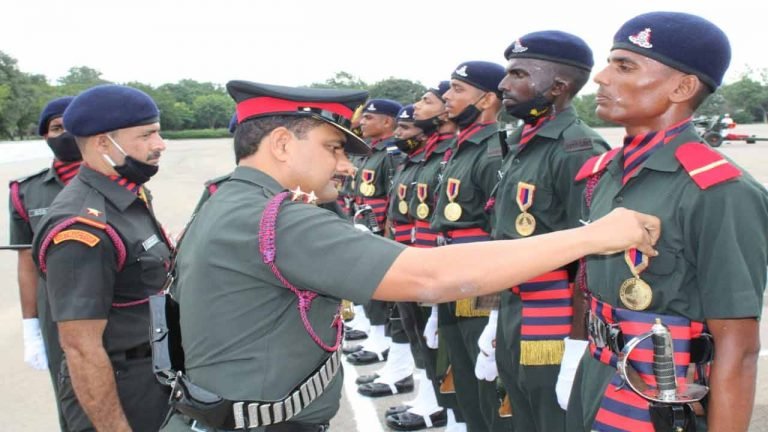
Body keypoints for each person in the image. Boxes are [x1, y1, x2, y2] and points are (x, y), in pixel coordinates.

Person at [161, 80, 659, 432]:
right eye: (335, 148)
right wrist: (593, 237)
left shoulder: (224, 196)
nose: (344, 165)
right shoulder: (278, 219)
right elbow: (429, 276)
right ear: (283, 144)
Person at [564, 12, 768, 432]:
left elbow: (738, 346)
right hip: (596, 378)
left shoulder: (720, 191)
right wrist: (576, 355)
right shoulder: (604, 173)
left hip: (658, 399)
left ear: (682, 87)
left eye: (624, 66)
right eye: (609, 63)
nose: (601, 78)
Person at [484, 31, 610, 432]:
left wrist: (577, 345)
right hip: (514, 308)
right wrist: (494, 317)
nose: (503, 84)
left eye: (518, 73)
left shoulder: (579, 149)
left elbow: (592, 259)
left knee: (552, 419)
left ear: (557, 88)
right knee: (523, 415)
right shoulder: (524, 143)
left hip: (553, 321)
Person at [31, 84, 173, 431]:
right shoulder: (82, 228)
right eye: (147, 135)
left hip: (152, 377)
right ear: (103, 143)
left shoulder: (127, 194)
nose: (160, 144)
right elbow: (81, 347)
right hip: (118, 392)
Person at [429, 60, 510, 431]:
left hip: (480, 285)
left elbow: (500, 233)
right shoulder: (461, 148)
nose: (447, 96)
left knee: (486, 385)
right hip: (452, 274)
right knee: (461, 373)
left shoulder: (494, 150)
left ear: (488, 99)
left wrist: (494, 311)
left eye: (459, 89)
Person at [386, 81, 463, 431]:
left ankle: (440, 408)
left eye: (426, 101)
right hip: (413, 257)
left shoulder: (450, 153)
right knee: (421, 338)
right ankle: (431, 400)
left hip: (440, 266)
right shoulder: (427, 155)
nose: (417, 107)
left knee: (449, 351)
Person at [8, 95, 80, 431]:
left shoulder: (124, 184)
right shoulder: (26, 192)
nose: (65, 133)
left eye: (72, 125)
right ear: (45, 136)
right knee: (70, 398)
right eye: (56, 127)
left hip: (119, 304)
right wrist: (31, 328)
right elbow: (27, 263)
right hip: (56, 312)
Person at [346, 98, 404, 365]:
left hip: (380, 231)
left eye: (370, 118)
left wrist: (386, 234)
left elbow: (394, 197)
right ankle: (375, 334)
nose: (363, 122)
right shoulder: (372, 152)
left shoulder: (391, 154)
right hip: (365, 227)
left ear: (387, 122)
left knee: (380, 288)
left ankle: (382, 340)